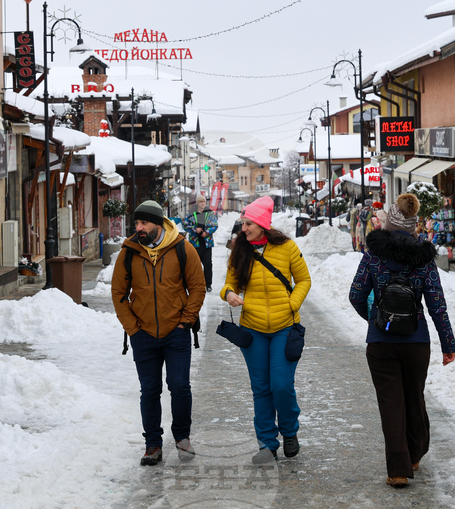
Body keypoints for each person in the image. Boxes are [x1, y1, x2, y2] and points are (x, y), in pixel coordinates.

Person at [348, 193, 455, 488]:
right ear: (412, 226)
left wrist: (376, 318)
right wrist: (449, 345)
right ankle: (415, 452)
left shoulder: (373, 254)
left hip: (381, 344)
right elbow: (437, 304)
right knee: (414, 397)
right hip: (416, 341)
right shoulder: (423, 259)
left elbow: (356, 294)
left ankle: (398, 470)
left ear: (390, 221)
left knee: (390, 403)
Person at [111, 200, 207, 466]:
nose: (139, 228)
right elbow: (119, 293)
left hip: (176, 332)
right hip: (143, 335)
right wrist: (133, 328)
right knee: (149, 390)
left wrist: (185, 322)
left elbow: (198, 287)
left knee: (179, 387)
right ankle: (152, 444)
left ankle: (182, 439)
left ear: (158, 223)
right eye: (136, 224)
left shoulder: (182, 248)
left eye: (143, 223)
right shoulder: (129, 252)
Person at [221, 196, 311, 464]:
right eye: (243, 223)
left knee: (281, 385)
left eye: (248, 223)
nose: (244, 228)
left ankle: (290, 432)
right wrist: (229, 294)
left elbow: (304, 280)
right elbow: (229, 284)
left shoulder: (286, 248)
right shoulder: (240, 250)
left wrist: (291, 303)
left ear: (261, 224)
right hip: (253, 329)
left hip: (285, 327)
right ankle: (267, 445)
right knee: (260, 388)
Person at [185, 194, 218, 292]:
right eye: (201, 202)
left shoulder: (210, 213)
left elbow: (215, 225)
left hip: (207, 243)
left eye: (204, 202)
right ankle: (195, 284)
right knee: (195, 265)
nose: (203, 203)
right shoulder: (191, 213)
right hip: (195, 244)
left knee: (208, 264)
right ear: (197, 203)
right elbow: (186, 225)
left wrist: (206, 232)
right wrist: (195, 229)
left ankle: (208, 284)